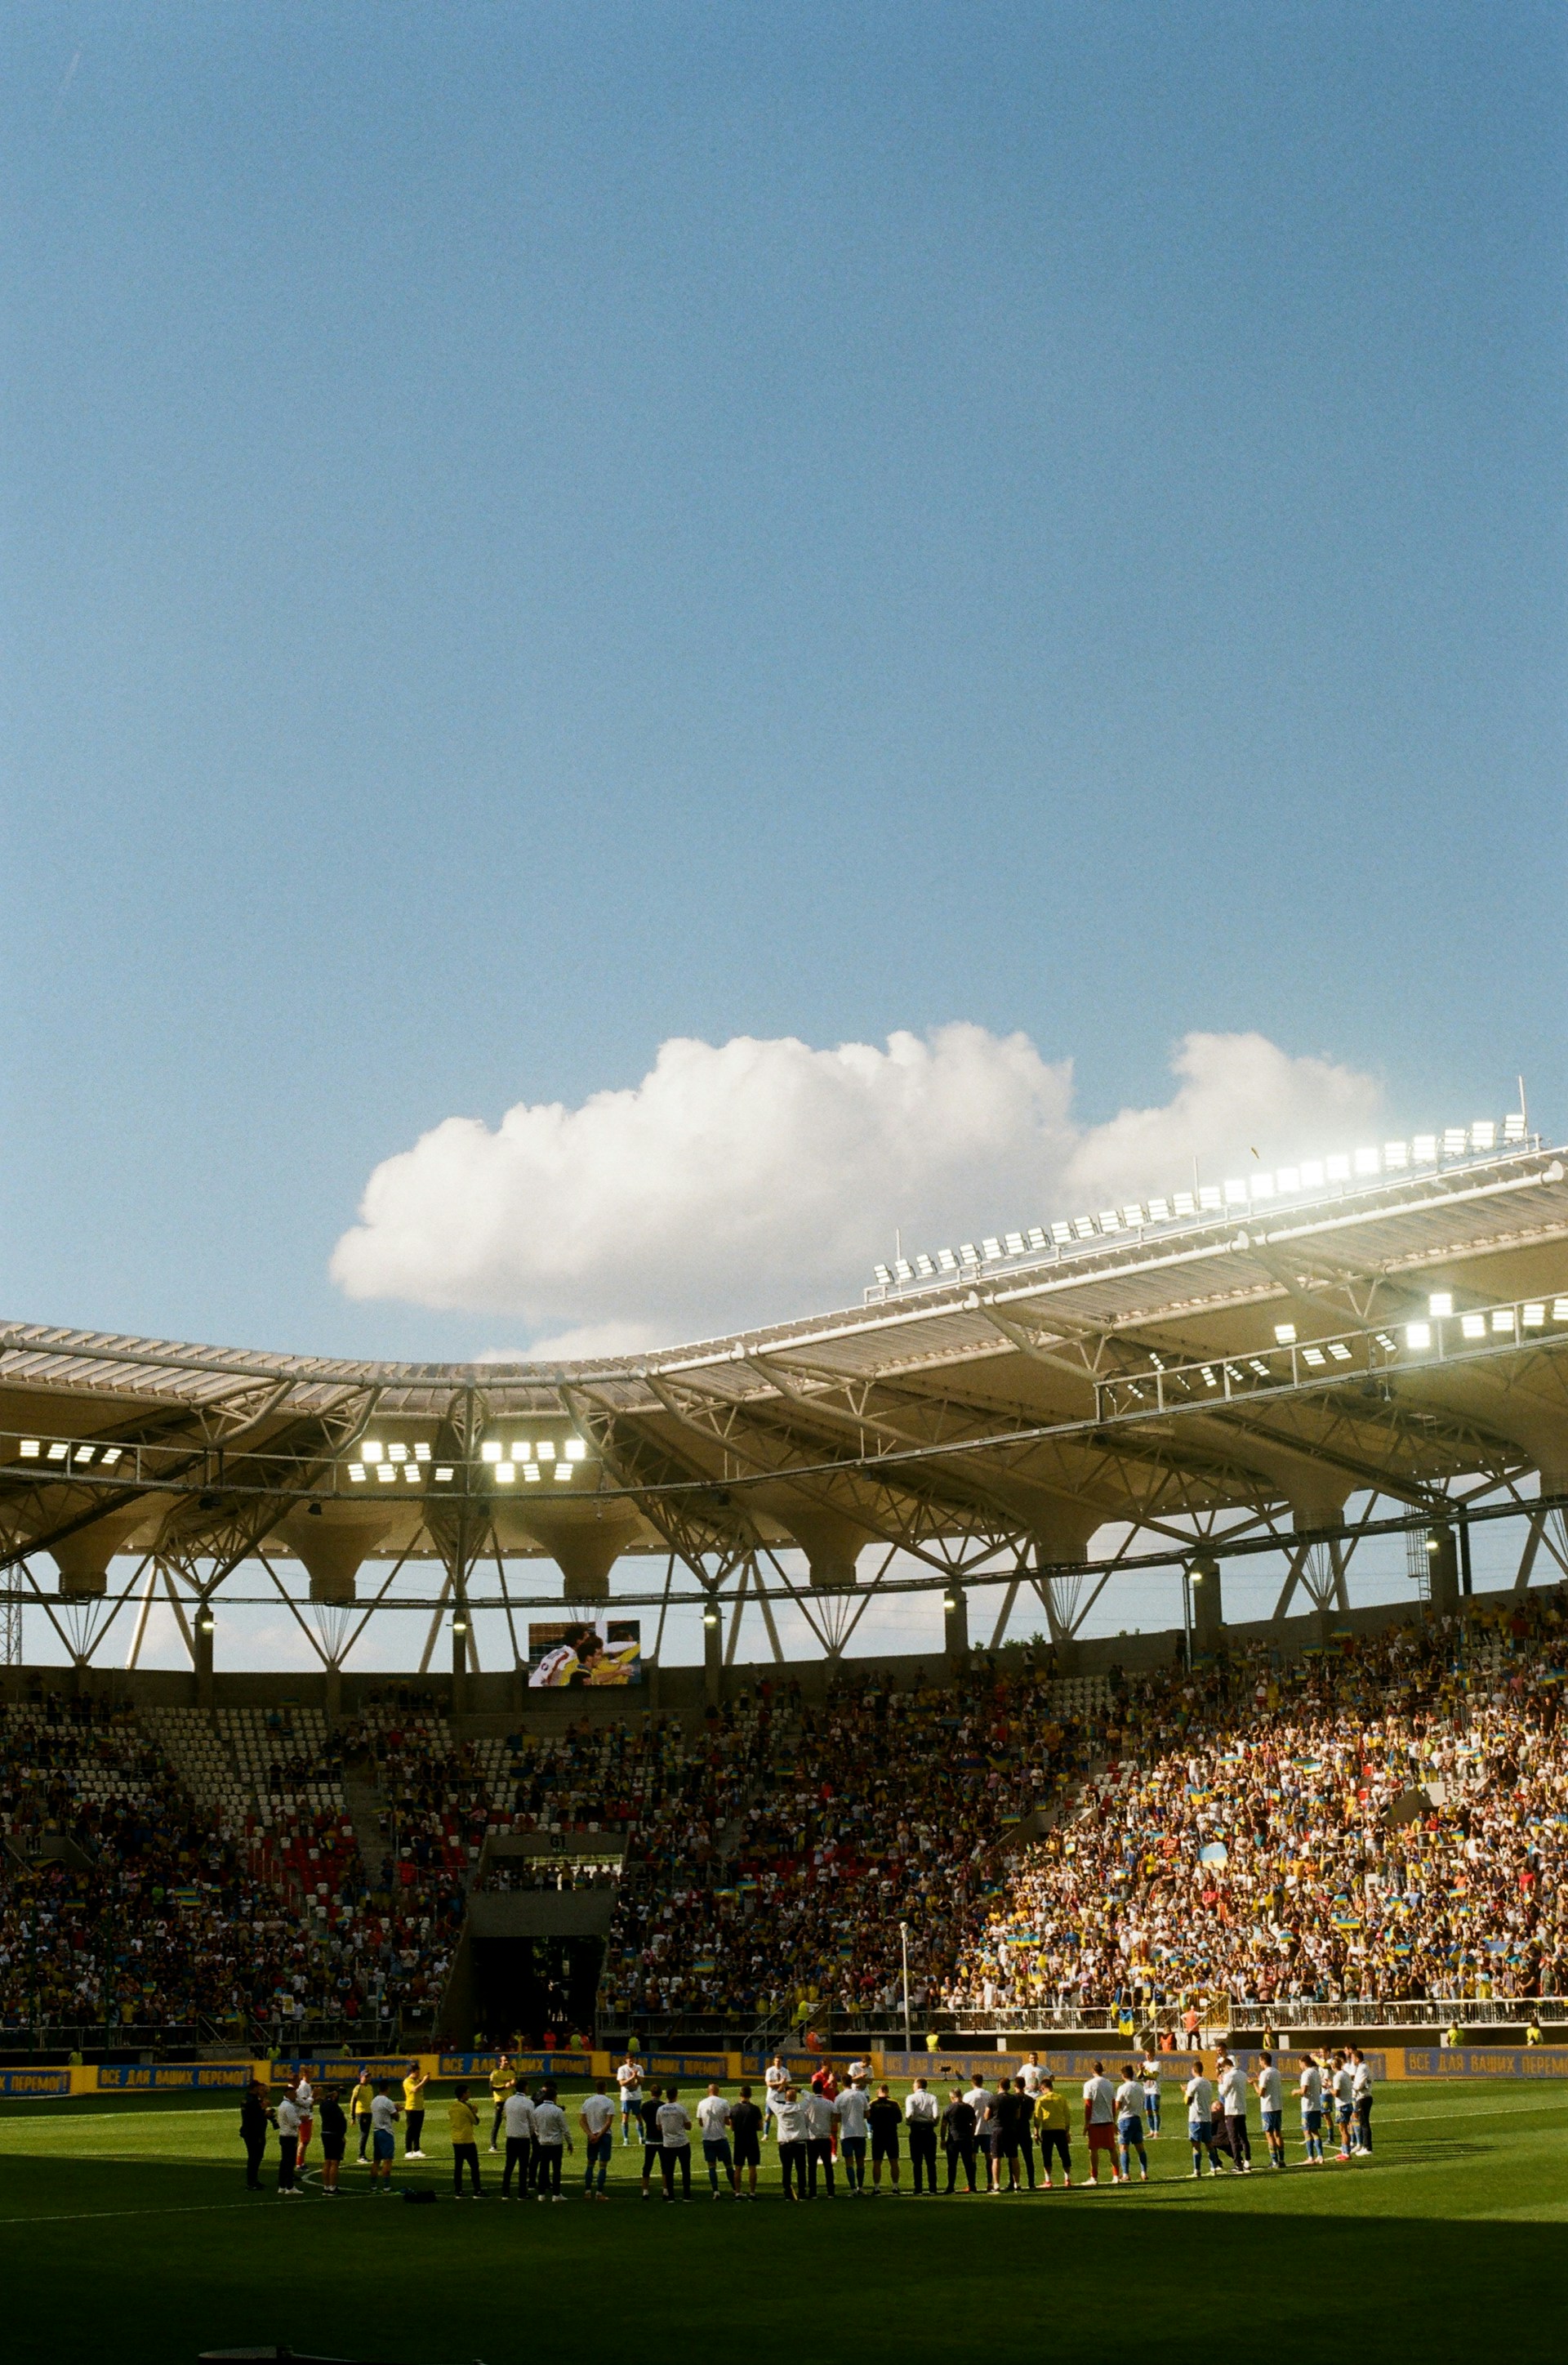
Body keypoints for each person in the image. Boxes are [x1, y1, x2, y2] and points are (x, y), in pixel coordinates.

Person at [695, 2082, 736, 2198]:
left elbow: (700, 2122)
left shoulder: (701, 2103)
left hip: (707, 2139)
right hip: (721, 2138)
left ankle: (716, 2191)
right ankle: (735, 2189)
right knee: (728, 2165)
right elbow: (727, 2121)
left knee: (711, 2166)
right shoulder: (724, 2102)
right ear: (718, 2091)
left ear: (708, 2091)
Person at [1082, 2060, 1120, 2187]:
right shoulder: (1109, 2084)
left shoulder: (1089, 2085)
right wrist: (1113, 2120)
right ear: (1102, 2070)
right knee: (1112, 2149)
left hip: (1095, 2121)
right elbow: (1113, 2104)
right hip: (1108, 2120)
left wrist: (1086, 2123)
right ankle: (1116, 2176)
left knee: (1093, 2150)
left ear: (1092, 2071)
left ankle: (1094, 2177)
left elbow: (1088, 2105)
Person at [532, 2081, 572, 2200]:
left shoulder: (537, 2110)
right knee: (556, 2169)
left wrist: (539, 2137)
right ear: (554, 2097)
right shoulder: (557, 2111)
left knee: (543, 2168)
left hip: (543, 2142)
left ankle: (541, 2194)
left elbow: (534, 2127)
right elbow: (565, 2129)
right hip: (556, 2143)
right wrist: (570, 2143)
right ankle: (556, 2194)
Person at [1184, 2060, 1223, 2178]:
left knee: (1196, 2145)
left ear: (1193, 2070)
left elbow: (1187, 2101)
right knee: (1209, 2144)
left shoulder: (1193, 2083)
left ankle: (1197, 2170)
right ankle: (1213, 2168)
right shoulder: (1208, 2083)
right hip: (1207, 2117)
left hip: (1196, 2117)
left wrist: (1185, 2091)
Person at [1114, 2063, 1149, 2184]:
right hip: (1137, 2119)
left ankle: (1126, 2174)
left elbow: (1118, 2105)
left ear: (1123, 2075)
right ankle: (1144, 2172)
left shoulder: (1122, 2088)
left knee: (1124, 2148)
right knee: (1140, 2147)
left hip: (1125, 2119)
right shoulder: (1140, 2087)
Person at [657, 2084, 693, 2202]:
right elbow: (689, 2126)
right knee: (685, 2170)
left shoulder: (661, 2109)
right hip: (682, 2142)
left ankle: (670, 2196)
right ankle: (686, 2195)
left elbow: (658, 2126)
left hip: (668, 2144)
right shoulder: (681, 2108)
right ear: (676, 2095)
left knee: (669, 2171)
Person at [773, 2083, 810, 2201]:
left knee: (786, 2169)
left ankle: (788, 2193)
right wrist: (799, 2089)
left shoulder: (779, 2109)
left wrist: (779, 2090)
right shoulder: (800, 2107)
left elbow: (769, 2099)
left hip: (785, 2144)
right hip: (799, 2143)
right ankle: (802, 2192)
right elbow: (809, 2097)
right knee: (801, 2169)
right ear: (795, 2098)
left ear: (785, 2098)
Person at [905, 2075, 940, 2196]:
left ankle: (918, 2188)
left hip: (916, 2130)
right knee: (931, 2161)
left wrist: (909, 2122)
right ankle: (933, 2188)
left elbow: (910, 2114)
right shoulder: (933, 2098)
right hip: (929, 2130)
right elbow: (936, 2115)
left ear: (918, 2086)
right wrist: (934, 2123)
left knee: (917, 2161)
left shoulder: (911, 2098)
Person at [581, 2079, 616, 2198]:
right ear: (605, 2087)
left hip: (592, 2135)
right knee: (603, 2165)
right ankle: (599, 2193)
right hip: (604, 2136)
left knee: (590, 2163)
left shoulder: (588, 2101)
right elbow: (608, 2122)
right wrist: (600, 2135)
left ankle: (587, 2192)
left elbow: (582, 2120)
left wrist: (590, 2134)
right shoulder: (609, 2102)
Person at [1034, 2077, 1071, 2189]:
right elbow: (1067, 2116)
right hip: (1060, 2129)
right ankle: (1067, 2179)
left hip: (1047, 2130)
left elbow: (1037, 2117)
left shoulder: (1041, 2100)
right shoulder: (1061, 2098)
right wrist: (1067, 2131)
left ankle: (1048, 2180)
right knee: (1064, 2154)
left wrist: (1036, 2132)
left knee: (1047, 2155)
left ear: (1043, 2088)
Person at [1218, 2051, 1252, 2172]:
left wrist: (1220, 2082)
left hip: (1231, 2110)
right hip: (1242, 2108)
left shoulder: (1229, 2076)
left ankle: (1238, 2164)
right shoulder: (1243, 2074)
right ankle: (1248, 2161)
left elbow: (1222, 2092)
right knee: (1244, 2137)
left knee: (1233, 2139)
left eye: (1224, 2070)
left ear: (1227, 2067)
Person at [501, 2079, 536, 2198]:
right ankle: (522, 2192)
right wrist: (530, 2133)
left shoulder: (509, 2100)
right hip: (523, 2138)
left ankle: (505, 2191)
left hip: (511, 2136)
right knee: (523, 2166)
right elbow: (532, 2122)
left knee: (509, 2166)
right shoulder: (528, 2103)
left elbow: (505, 2115)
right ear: (525, 2088)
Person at [866, 2081, 902, 2193]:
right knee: (894, 2161)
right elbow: (899, 2119)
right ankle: (895, 2186)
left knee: (877, 2162)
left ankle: (877, 2187)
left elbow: (869, 2119)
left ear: (878, 2091)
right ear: (887, 2091)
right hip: (891, 2135)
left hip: (878, 2135)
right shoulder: (894, 2104)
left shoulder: (873, 2104)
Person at [836, 2075, 870, 2193]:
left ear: (842, 2083)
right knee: (860, 2162)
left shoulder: (839, 2097)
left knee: (849, 2163)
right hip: (860, 2132)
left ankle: (852, 2188)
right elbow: (867, 2115)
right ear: (852, 2082)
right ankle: (860, 2187)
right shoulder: (861, 2096)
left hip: (847, 2133)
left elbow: (837, 2117)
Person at [941, 2085, 978, 2193]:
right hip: (966, 2139)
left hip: (953, 2139)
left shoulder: (949, 2108)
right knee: (968, 2163)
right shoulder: (968, 2107)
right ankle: (972, 2185)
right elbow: (974, 2123)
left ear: (952, 2097)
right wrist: (971, 2135)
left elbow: (944, 2125)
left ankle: (951, 2186)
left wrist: (943, 2139)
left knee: (952, 2164)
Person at [803, 2077, 835, 2196]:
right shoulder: (829, 2103)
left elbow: (805, 2120)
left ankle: (813, 2192)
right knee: (828, 2166)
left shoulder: (808, 2104)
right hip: (825, 2138)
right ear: (822, 2090)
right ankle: (831, 2191)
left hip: (812, 2138)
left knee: (812, 2167)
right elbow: (835, 2117)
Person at [731, 2082, 764, 2198]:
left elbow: (732, 2126)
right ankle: (752, 2192)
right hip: (752, 2140)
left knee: (738, 2168)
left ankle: (738, 2192)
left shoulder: (734, 2108)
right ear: (750, 2095)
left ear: (740, 2094)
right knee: (752, 2167)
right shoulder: (755, 2109)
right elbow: (760, 2126)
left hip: (739, 2140)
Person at [1254, 2050, 1285, 2170]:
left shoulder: (1264, 2074)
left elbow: (1261, 2093)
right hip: (1278, 2106)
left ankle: (1274, 2161)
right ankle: (1282, 2160)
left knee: (1269, 2134)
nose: (1259, 2063)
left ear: (1263, 2061)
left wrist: (1254, 2084)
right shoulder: (1277, 2072)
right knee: (1278, 2133)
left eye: (1260, 2061)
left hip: (1268, 2107)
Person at [450, 2082, 482, 2197]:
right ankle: (477, 2190)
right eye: (468, 2092)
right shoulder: (466, 2108)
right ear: (463, 2094)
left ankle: (458, 2190)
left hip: (456, 2140)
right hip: (467, 2140)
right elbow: (476, 2121)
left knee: (458, 2167)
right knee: (474, 2166)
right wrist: (473, 2111)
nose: (469, 2094)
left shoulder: (453, 2107)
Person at [368, 2079, 399, 2193]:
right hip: (386, 2132)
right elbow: (396, 2117)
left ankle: (373, 2185)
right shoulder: (387, 2101)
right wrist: (396, 2110)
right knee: (387, 2160)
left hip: (376, 2131)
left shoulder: (374, 2101)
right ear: (388, 2088)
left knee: (376, 2160)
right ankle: (386, 2186)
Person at [240, 2078, 270, 2192]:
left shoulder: (246, 2099)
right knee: (255, 2157)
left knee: (255, 2157)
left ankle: (254, 2180)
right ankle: (251, 2182)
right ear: (255, 2088)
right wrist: (264, 2110)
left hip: (250, 2131)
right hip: (254, 2132)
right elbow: (256, 2116)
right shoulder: (252, 2101)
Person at [1298, 2052, 1325, 2166]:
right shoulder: (1316, 2072)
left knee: (1307, 2131)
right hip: (1316, 2105)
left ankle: (1311, 2157)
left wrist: (1296, 2092)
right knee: (1315, 2131)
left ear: (1303, 2063)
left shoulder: (1306, 2074)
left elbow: (1304, 2090)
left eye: (1300, 2063)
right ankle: (1320, 2156)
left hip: (1308, 2106)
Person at [319, 2084, 347, 2195]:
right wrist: (342, 2135)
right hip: (334, 2134)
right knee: (335, 2162)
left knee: (327, 2160)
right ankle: (332, 2187)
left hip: (325, 2133)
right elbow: (340, 2120)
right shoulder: (334, 2106)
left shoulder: (323, 2105)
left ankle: (326, 2187)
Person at [275, 2083, 301, 2198]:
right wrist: (301, 2121)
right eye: (294, 2093)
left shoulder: (282, 2105)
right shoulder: (289, 2106)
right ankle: (290, 2187)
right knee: (289, 2162)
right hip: (290, 2136)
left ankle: (282, 2186)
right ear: (289, 2094)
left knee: (284, 2162)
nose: (296, 2095)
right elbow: (293, 2122)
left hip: (283, 2135)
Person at [1330, 2050, 1356, 2162]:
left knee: (1343, 2129)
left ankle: (1346, 2153)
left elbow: (1337, 2093)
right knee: (1344, 2129)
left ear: (1333, 2066)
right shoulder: (1345, 2074)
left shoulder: (1337, 2077)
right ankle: (1345, 2151)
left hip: (1342, 2105)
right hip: (1348, 2103)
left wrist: (1328, 2088)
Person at [488, 2051, 516, 2153]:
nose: (506, 2062)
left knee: (512, 2123)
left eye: (507, 2060)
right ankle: (493, 2144)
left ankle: (513, 2144)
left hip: (510, 2100)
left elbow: (513, 2086)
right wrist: (505, 2086)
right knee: (497, 2123)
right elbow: (491, 2088)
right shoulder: (495, 2073)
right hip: (500, 2101)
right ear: (500, 2062)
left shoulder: (512, 2072)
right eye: (504, 2061)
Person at [403, 2059, 430, 2160]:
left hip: (419, 2108)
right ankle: (408, 2151)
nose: (419, 2074)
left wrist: (422, 2081)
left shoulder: (417, 2081)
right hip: (411, 2108)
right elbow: (415, 2089)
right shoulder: (407, 2081)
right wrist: (424, 2081)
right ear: (412, 2072)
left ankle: (417, 2149)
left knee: (418, 2130)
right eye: (417, 2072)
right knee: (411, 2130)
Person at [617, 2051, 644, 2144]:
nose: (631, 2062)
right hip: (626, 2097)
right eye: (629, 2060)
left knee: (639, 2117)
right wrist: (632, 2077)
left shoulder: (639, 2068)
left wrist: (636, 2076)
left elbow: (641, 2081)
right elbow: (621, 2083)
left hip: (637, 2097)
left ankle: (641, 2137)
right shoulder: (622, 2069)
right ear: (626, 2060)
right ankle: (626, 2139)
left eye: (632, 2060)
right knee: (625, 2118)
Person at [1351, 2049, 1374, 2158]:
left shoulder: (1362, 2068)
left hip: (1363, 2097)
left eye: (1353, 2058)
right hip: (1364, 2097)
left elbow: (1360, 2084)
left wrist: (1353, 2087)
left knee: (1364, 2123)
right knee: (1364, 2123)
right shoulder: (1363, 2067)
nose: (1352, 2061)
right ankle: (1366, 2146)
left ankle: (1367, 2147)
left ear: (1357, 2059)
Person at [350, 2068, 376, 2164]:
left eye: (369, 2076)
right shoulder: (358, 2088)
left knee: (366, 2133)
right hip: (361, 2112)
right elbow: (353, 2101)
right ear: (361, 2077)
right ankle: (361, 2155)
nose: (368, 2078)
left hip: (369, 2112)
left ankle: (362, 2154)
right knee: (364, 2133)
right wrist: (353, 2116)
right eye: (366, 2076)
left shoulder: (370, 2087)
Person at [293, 2072, 314, 2168]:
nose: (311, 2076)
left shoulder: (307, 2085)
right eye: (309, 2074)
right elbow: (303, 2102)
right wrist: (313, 2097)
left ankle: (300, 2162)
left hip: (307, 2115)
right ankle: (299, 2163)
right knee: (304, 2141)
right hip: (304, 2116)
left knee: (305, 2141)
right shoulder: (303, 2086)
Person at [1140, 2051, 1163, 2139]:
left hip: (1154, 2090)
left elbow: (1154, 2076)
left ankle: (1157, 2131)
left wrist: (1144, 2070)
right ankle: (1151, 2130)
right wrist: (1141, 2070)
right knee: (1148, 2111)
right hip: (1146, 2091)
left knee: (1155, 2110)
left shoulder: (1157, 2064)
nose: (1148, 2057)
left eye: (1149, 2055)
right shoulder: (1145, 2064)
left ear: (1153, 2055)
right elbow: (1139, 2076)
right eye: (1146, 2055)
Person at [764, 2052, 788, 2132]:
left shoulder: (785, 2071)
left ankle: (782, 2133)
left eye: (779, 2061)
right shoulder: (770, 2070)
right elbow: (768, 2084)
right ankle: (765, 2134)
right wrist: (780, 2083)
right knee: (768, 2116)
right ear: (774, 2061)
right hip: (771, 2097)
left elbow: (787, 2084)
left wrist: (781, 2085)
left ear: (782, 2062)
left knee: (782, 2117)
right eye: (776, 2061)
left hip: (781, 2097)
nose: (777, 2063)